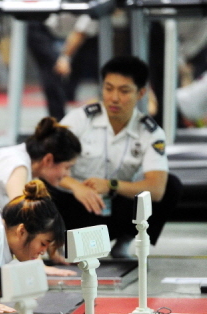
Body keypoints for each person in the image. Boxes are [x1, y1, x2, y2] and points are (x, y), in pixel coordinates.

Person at [48, 56, 183, 257]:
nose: (114, 97)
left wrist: (112, 185)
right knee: (42, 187)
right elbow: (46, 166)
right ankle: (56, 242)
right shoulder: (80, 119)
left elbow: (157, 190)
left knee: (171, 185)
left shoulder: (150, 133)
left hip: (113, 209)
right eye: (109, 88)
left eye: (124, 90)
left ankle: (123, 243)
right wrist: (76, 187)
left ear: (141, 93)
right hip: (75, 204)